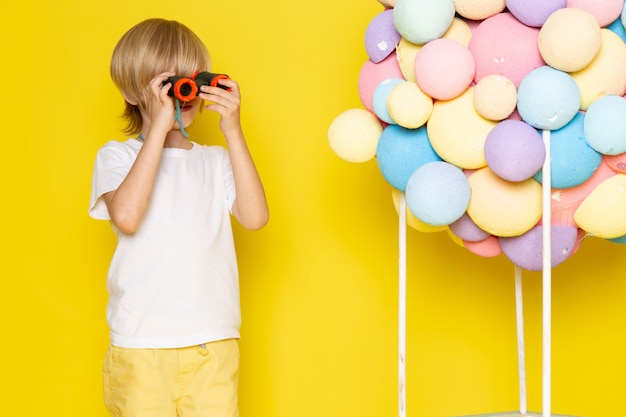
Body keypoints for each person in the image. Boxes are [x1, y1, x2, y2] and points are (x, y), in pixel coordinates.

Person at [89, 18, 269, 417]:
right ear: (132, 93)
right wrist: (157, 126)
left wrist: (233, 130)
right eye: (165, 84)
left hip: (213, 344)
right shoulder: (116, 157)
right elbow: (127, 217)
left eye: (190, 81)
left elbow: (255, 218)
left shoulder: (215, 160)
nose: (179, 93)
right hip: (142, 346)